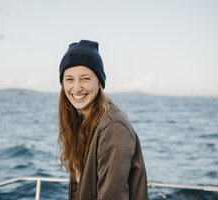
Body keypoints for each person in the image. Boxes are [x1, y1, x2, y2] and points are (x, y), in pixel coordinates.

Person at [57, 40, 149, 200]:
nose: (77, 88)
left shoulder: (113, 128)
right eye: (69, 79)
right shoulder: (84, 123)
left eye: (85, 79)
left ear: (99, 82)